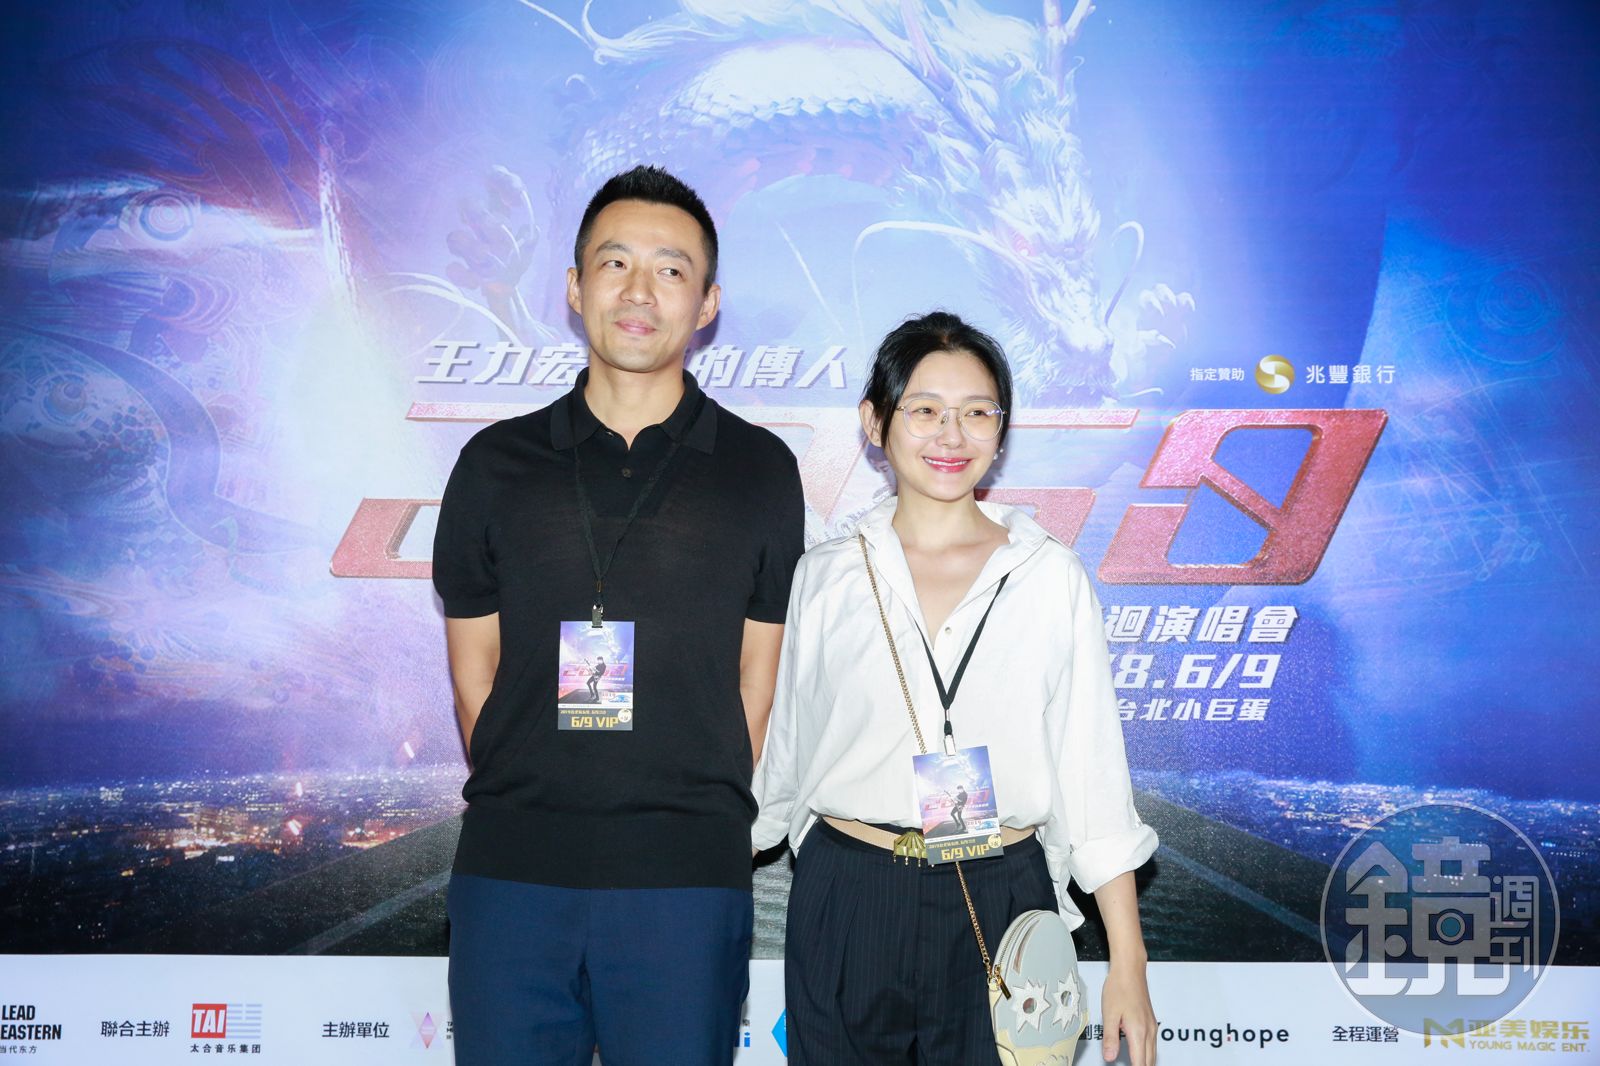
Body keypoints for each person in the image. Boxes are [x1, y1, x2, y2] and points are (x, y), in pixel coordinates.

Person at [433, 164, 805, 1066]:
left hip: (687, 881)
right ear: (574, 287)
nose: (640, 291)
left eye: (671, 270)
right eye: (615, 263)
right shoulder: (493, 464)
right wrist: (543, 793)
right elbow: (474, 676)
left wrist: (685, 812)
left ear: (707, 303)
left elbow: (756, 683)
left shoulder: (760, 470)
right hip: (512, 875)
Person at [753, 311, 1159, 1066]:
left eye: (977, 412)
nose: (952, 435)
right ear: (875, 422)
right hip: (850, 890)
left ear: (1001, 432)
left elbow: (1092, 777)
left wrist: (1127, 963)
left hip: (1001, 895)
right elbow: (785, 752)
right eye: (925, 410)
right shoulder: (827, 574)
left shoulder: (1048, 577)